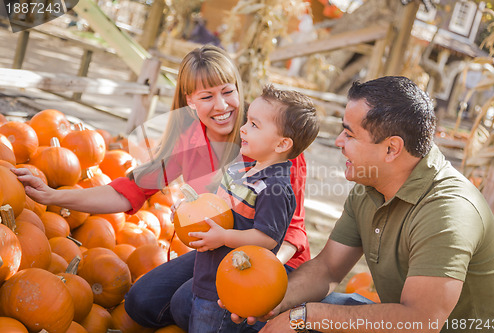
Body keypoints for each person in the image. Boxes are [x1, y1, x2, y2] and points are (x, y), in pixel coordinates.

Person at [12, 45, 312, 328]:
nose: (222, 106)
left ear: (238, 89)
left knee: (188, 303)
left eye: (227, 92)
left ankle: (268, 322)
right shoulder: (189, 140)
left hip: (269, 259)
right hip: (215, 249)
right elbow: (128, 190)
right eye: (206, 97)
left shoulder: (273, 146)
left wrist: (261, 285)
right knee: (141, 302)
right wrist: (54, 195)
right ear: (190, 102)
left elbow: (292, 232)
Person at [227, 76, 494, 333]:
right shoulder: (370, 185)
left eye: (350, 134)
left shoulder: (448, 212)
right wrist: (269, 301)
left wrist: (303, 317)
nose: (338, 142)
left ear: (391, 149)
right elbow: (328, 268)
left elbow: (420, 321)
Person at [170, 84, 319, 333]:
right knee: (185, 311)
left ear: (282, 144)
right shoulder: (243, 169)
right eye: (247, 121)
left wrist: (224, 237)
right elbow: (219, 206)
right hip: (210, 273)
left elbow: (267, 239)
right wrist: (190, 208)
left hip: (230, 286)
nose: (242, 128)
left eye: (254, 125)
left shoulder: (275, 188)